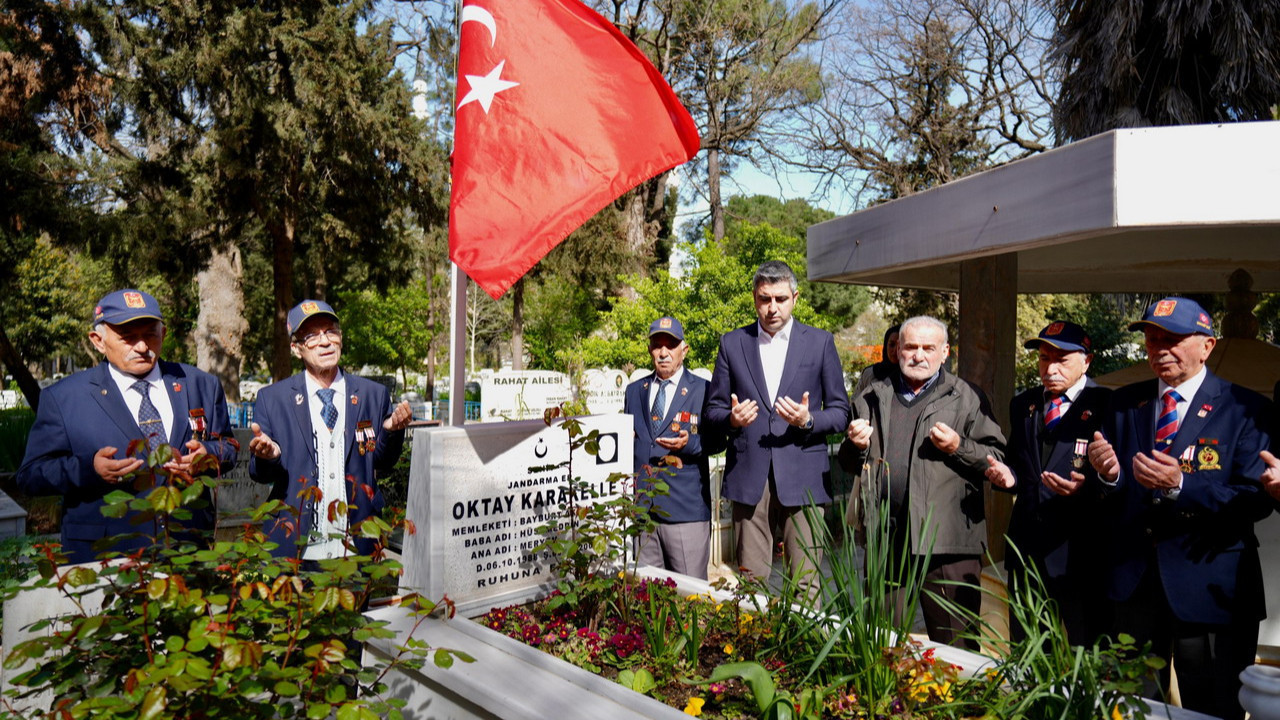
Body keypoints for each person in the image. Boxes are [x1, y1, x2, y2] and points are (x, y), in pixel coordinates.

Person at [1086, 297, 1273, 720]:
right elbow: (1108, 499)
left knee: (1211, 708)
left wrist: (1182, 485)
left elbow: (1255, 500)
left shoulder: (1246, 409)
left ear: (1207, 345)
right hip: (1134, 587)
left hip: (1209, 590)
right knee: (1131, 707)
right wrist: (1109, 477)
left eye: (1172, 339)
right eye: (1152, 339)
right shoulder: (1122, 404)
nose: (1159, 349)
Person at [17, 289, 238, 563]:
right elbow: (30, 476)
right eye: (128, 338)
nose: (143, 347)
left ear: (164, 334)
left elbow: (228, 446)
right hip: (105, 558)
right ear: (98, 341)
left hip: (188, 550)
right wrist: (89, 469)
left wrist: (208, 454)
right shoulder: (64, 398)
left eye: (150, 335)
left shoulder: (199, 384)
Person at [839, 315, 1005, 648]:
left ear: (945, 353)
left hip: (947, 543)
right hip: (887, 538)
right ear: (897, 349)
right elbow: (848, 464)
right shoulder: (872, 395)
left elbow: (997, 459)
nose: (919, 355)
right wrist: (854, 446)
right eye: (911, 347)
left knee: (956, 648)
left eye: (929, 348)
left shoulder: (967, 397)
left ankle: (960, 701)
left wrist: (959, 447)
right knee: (881, 644)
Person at [705, 260, 850, 584]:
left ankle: (806, 638)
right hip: (749, 475)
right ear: (754, 298)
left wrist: (809, 419)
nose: (772, 308)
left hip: (804, 476)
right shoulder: (732, 343)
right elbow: (713, 410)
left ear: (795, 298)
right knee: (751, 581)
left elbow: (841, 412)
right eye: (764, 299)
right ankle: (755, 637)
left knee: (805, 581)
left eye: (780, 299)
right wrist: (732, 419)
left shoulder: (820, 342)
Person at [248, 300, 413, 561]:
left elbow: (381, 460)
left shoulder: (373, 394)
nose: (325, 342)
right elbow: (259, 473)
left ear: (340, 338)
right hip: (296, 549)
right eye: (312, 336)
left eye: (331, 331)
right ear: (296, 348)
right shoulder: (273, 399)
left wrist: (391, 430)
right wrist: (269, 456)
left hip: (358, 547)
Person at [982, 321, 1111, 645]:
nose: (1050, 368)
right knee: (1028, 647)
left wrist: (1087, 489)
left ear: (1087, 360)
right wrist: (1007, 478)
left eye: (1061, 359)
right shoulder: (1023, 405)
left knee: (1086, 645)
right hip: (1027, 546)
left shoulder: (1107, 405)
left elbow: (1116, 477)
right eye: (1044, 358)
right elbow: (1018, 465)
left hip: (1079, 550)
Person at [623, 316, 719, 580]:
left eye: (671, 345)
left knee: (690, 600)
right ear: (649, 350)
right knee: (648, 597)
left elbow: (719, 441)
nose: (663, 353)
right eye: (657, 345)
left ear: (684, 350)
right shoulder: (634, 391)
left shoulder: (704, 390)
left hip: (684, 512)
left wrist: (691, 444)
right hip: (644, 513)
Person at [854, 324, 900, 394]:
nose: (895, 350)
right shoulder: (870, 374)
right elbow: (856, 402)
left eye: (900, 346)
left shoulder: (915, 376)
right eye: (892, 345)